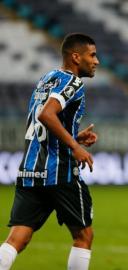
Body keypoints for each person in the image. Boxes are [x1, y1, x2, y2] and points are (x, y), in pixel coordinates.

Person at [0, 33, 99, 270]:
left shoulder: (47, 79)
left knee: (17, 238)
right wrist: (74, 147)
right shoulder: (73, 83)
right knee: (83, 235)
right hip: (59, 172)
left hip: (31, 170)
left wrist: (74, 137)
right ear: (76, 57)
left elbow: (41, 123)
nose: (97, 61)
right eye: (92, 55)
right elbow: (47, 115)